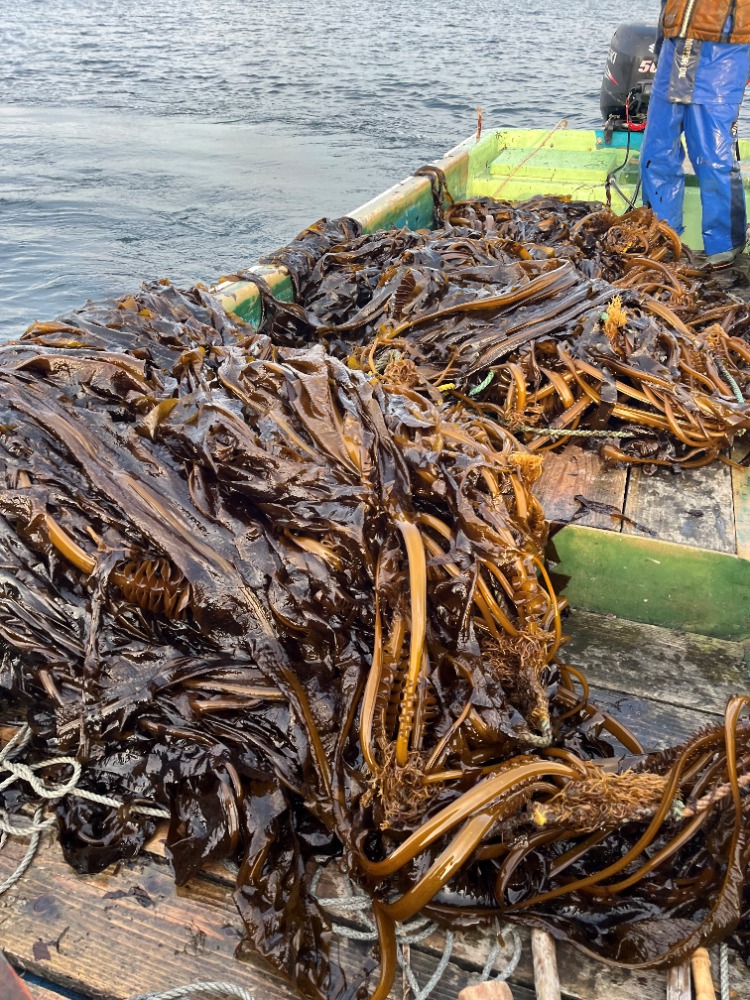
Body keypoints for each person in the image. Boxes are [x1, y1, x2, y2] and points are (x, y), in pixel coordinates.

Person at [641, 0, 750, 266]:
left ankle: (725, 243)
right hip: (674, 45)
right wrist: (660, 43)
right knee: (657, 150)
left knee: (713, 154)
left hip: (726, 51)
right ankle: (662, 235)